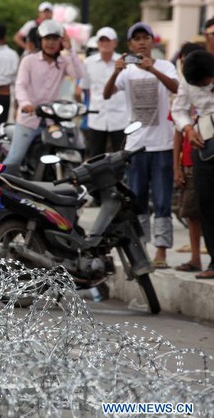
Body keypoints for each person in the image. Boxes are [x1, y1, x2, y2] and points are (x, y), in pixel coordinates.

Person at [103, 22, 178, 269]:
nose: (142, 42)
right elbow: (106, 94)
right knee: (137, 200)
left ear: (153, 42)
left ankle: (162, 252)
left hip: (163, 144)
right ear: (130, 45)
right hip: (136, 146)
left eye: (146, 37)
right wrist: (115, 71)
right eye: (137, 39)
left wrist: (154, 70)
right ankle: (142, 249)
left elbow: (176, 88)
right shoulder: (127, 71)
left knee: (163, 198)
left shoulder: (166, 65)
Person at [3, 20, 84, 170]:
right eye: (47, 39)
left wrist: (71, 49)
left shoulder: (64, 61)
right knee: (14, 159)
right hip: (29, 120)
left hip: (52, 122)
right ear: (41, 41)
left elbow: (79, 73)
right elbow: (20, 85)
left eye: (55, 39)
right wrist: (26, 104)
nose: (51, 43)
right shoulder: (28, 61)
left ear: (60, 41)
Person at [171, 50, 214, 279]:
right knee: (206, 204)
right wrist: (188, 128)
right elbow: (178, 110)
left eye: (205, 81)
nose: (204, 85)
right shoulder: (188, 83)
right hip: (204, 146)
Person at [79, 27, 128, 158]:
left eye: (108, 40)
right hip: (97, 117)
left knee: (120, 156)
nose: (104, 44)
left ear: (115, 43)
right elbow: (86, 88)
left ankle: (119, 179)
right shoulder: (89, 62)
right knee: (95, 157)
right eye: (101, 40)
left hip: (120, 118)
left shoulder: (123, 62)